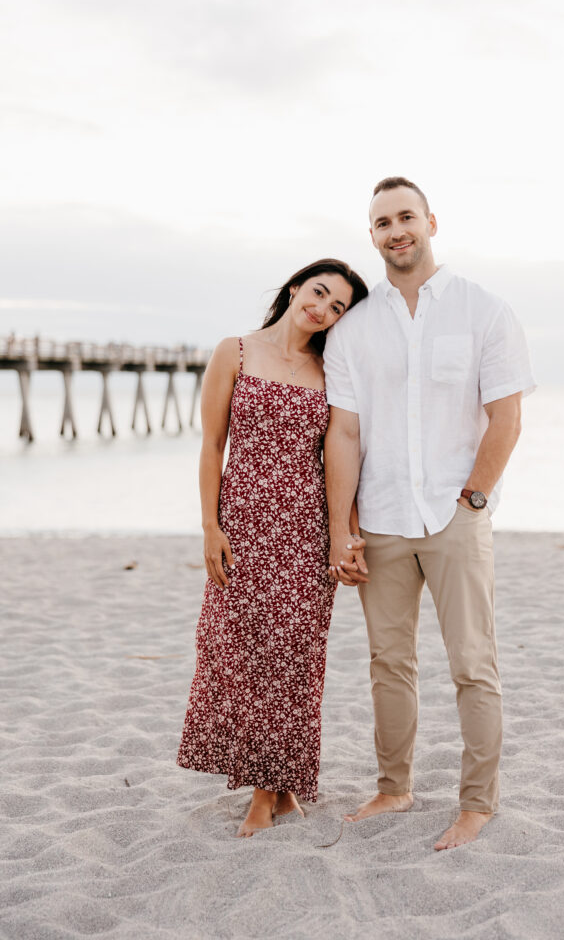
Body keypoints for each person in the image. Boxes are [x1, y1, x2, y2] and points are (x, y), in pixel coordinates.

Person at [323, 177, 536, 850]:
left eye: (405, 216)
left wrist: (473, 497)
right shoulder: (352, 330)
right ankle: (394, 786)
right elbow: (345, 435)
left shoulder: (484, 311)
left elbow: (506, 417)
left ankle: (477, 803)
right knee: (389, 664)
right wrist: (341, 529)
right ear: (372, 235)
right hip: (380, 519)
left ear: (430, 222)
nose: (395, 230)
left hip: (454, 516)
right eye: (382, 221)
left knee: (472, 663)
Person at [177, 259, 368, 838]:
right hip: (241, 526)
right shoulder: (234, 351)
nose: (323, 309)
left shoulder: (331, 368)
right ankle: (279, 786)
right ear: (294, 288)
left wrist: (344, 532)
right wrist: (210, 527)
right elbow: (212, 447)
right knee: (236, 652)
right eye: (319, 293)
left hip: (304, 532)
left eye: (337, 307)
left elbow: (342, 452)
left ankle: (267, 794)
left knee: (293, 661)